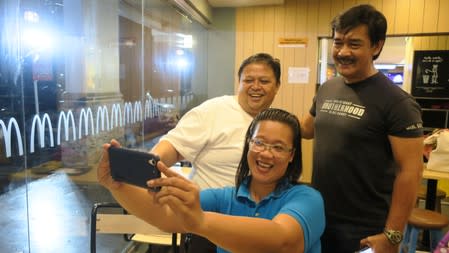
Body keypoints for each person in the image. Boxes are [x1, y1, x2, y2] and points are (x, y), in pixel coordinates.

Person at [98, 108, 325, 253]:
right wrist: (116, 185)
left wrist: (200, 221)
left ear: (292, 155)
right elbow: (165, 218)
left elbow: (285, 241)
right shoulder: (225, 197)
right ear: (248, 145)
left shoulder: (307, 199)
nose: (266, 153)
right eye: (259, 143)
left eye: (278, 147)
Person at [300, 4, 424, 253]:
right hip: (319, 216)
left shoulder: (398, 103)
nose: (343, 52)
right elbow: (306, 129)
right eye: (338, 42)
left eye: (354, 44)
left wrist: (392, 235)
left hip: (366, 229)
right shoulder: (328, 88)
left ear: (376, 46)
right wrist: (262, 115)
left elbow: (410, 172)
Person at [150, 53, 281, 252]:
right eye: (248, 80)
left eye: (264, 81)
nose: (256, 86)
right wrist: (149, 169)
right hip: (207, 222)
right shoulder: (213, 111)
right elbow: (173, 146)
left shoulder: (276, 123)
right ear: (239, 83)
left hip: (257, 224)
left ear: (277, 86)